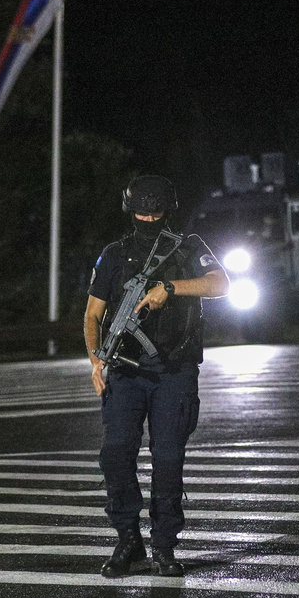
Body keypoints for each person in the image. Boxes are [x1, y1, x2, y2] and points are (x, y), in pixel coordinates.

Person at [84, 175, 229, 577]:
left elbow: (222, 284)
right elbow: (93, 314)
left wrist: (171, 287)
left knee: (168, 460)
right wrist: (96, 361)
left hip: (174, 372)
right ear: (130, 210)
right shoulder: (114, 254)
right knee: (115, 455)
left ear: (169, 210)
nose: (148, 218)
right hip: (125, 374)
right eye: (142, 211)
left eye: (156, 211)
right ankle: (128, 540)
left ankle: (164, 545)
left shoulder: (190, 247)